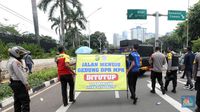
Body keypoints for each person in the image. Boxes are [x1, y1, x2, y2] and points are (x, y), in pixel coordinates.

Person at [7, 46, 30, 112]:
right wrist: (26, 84)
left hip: (14, 83)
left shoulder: (10, 60)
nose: (21, 55)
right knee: (25, 102)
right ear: (15, 53)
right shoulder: (15, 62)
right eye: (20, 53)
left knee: (17, 102)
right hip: (19, 84)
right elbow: (20, 74)